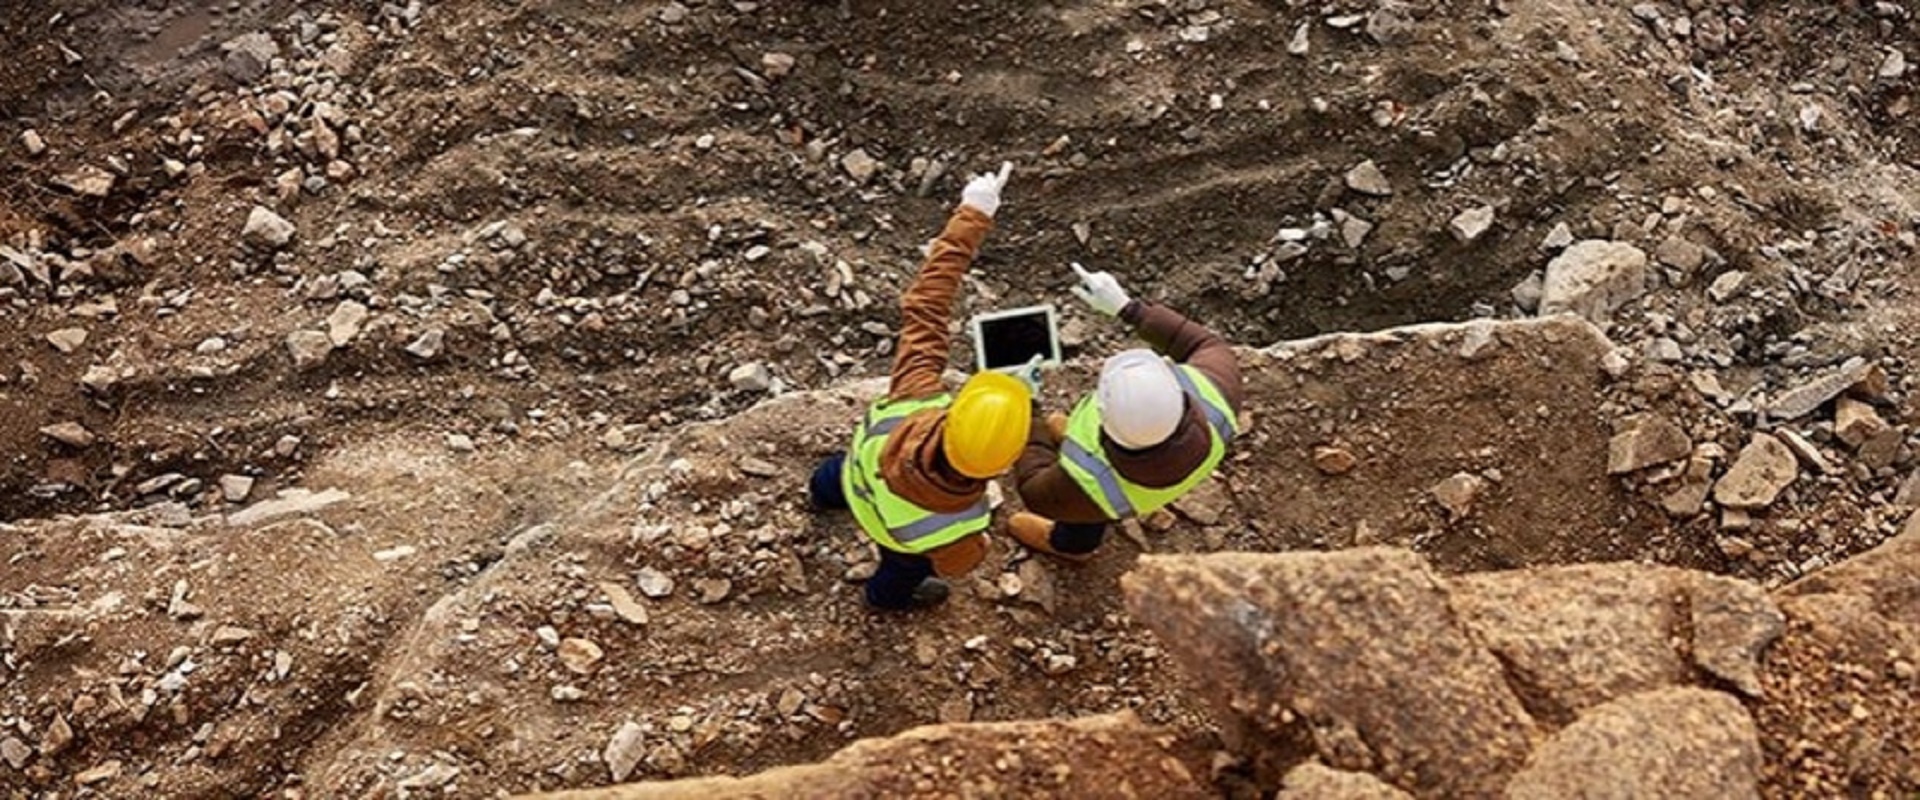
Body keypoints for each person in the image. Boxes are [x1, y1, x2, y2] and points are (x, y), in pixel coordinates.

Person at [808, 162, 1033, 610]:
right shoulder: (964, 522)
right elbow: (957, 564)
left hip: (857, 478)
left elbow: (927, 304)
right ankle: (883, 600)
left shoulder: (915, 397)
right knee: (903, 573)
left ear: (956, 412)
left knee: (832, 477)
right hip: (895, 537)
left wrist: (973, 213)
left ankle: (820, 496)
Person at [1008, 263, 1245, 560]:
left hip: (1100, 498)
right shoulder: (1218, 395)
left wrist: (1029, 406)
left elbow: (1033, 488)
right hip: (1168, 473)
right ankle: (1071, 446)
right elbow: (1203, 342)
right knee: (1092, 499)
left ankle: (1073, 546)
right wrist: (1128, 308)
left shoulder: (1092, 483)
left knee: (1085, 516)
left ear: (1102, 420)